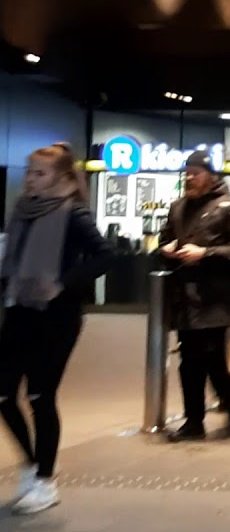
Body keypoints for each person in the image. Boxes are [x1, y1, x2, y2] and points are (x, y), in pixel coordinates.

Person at [0, 143, 115, 514]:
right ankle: (34, 464)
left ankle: (45, 481)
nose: (30, 180)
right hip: (20, 310)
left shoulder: (73, 213)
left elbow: (105, 255)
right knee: (3, 392)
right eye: (28, 172)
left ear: (63, 177)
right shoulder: (22, 212)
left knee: (39, 396)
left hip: (57, 316)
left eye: (39, 173)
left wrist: (62, 283)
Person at [157, 150, 230, 444]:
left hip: (214, 298)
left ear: (210, 176)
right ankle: (194, 420)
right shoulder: (178, 208)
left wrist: (205, 254)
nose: (189, 178)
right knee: (189, 360)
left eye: (195, 173)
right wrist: (168, 249)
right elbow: (163, 239)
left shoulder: (227, 208)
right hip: (185, 297)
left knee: (212, 359)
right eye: (187, 173)